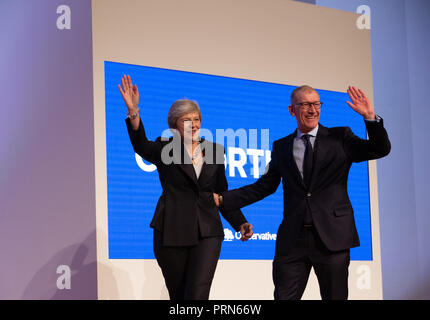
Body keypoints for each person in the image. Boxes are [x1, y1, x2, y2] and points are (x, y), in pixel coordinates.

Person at [213, 85, 391, 300]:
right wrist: (223, 199)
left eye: (316, 104)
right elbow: (265, 186)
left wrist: (370, 118)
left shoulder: (340, 136)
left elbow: (380, 149)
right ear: (292, 110)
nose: (312, 110)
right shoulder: (282, 146)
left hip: (332, 236)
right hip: (293, 240)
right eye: (305, 104)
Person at [118, 75, 253, 300]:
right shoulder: (164, 148)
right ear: (174, 126)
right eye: (186, 119)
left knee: (197, 296)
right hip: (172, 231)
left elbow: (221, 192)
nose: (194, 124)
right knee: (179, 297)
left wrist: (240, 222)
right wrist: (134, 112)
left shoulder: (215, 150)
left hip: (207, 231)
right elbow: (141, 145)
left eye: (197, 119)